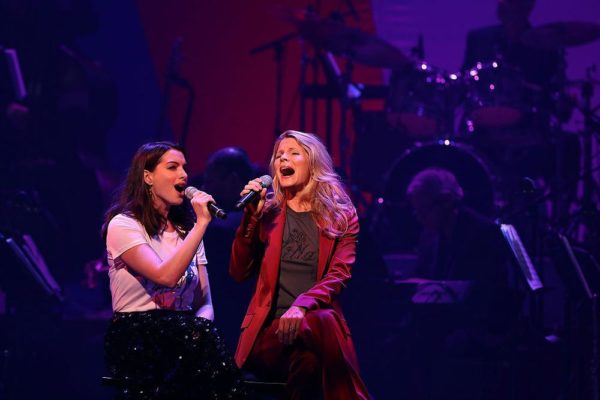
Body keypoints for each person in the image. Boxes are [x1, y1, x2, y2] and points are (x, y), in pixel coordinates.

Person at [229, 130, 371, 399]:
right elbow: (238, 272)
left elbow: (339, 274)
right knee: (322, 324)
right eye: (279, 155)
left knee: (310, 359)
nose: (284, 158)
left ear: (314, 163)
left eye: (294, 153)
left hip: (315, 333)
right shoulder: (267, 212)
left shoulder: (341, 216)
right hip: (270, 335)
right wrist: (250, 218)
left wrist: (301, 306)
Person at [101, 141, 246, 399]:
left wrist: (197, 329)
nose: (184, 175)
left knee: (207, 350)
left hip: (184, 333)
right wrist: (202, 224)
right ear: (147, 177)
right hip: (137, 331)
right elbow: (165, 277)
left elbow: (205, 301)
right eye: (172, 167)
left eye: (184, 167)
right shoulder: (124, 225)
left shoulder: (186, 233)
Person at [405, 167, 516, 400]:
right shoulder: (429, 235)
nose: (419, 217)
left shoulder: (482, 234)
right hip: (441, 322)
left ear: (446, 202)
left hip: (473, 326)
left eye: (423, 209)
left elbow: (491, 293)